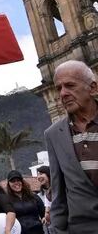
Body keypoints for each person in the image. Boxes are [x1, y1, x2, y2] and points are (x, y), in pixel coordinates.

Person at [44, 60, 98, 234]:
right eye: (58, 88)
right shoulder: (53, 134)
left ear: (93, 88)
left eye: (69, 85)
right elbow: (58, 194)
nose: (63, 93)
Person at [6, 170, 45, 234]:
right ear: (9, 184)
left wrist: (44, 219)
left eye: (18, 180)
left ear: (22, 182)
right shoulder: (7, 200)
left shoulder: (33, 196)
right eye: (13, 181)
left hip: (38, 231)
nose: (16, 183)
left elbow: (43, 213)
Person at [35, 166, 51, 233]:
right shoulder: (38, 196)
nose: (38, 177)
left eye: (41, 173)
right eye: (38, 175)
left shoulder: (59, 191)